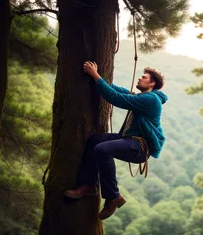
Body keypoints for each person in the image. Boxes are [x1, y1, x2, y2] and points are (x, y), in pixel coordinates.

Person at [64, 61, 168, 220]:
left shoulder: (151, 100)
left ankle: (113, 196)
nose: (139, 78)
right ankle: (88, 185)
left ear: (152, 83)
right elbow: (120, 91)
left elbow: (116, 98)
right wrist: (99, 79)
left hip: (139, 147)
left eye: (144, 77)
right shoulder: (142, 97)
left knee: (102, 149)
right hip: (128, 139)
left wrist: (95, 75)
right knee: (95, 141)